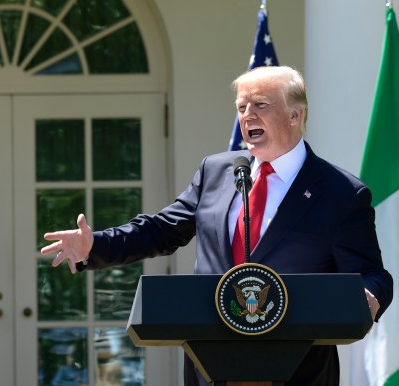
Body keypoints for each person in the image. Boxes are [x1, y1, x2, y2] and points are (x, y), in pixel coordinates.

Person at [41, 66, 393, 386]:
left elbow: (372, 273)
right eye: (241, 108)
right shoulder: (218, 171)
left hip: (299, 368)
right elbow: (161, 229)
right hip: (211, 363)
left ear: (294, 115)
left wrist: (369, 296)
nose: (247, 115)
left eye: (260, 105)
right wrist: (95, 245)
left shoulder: (340, 192)